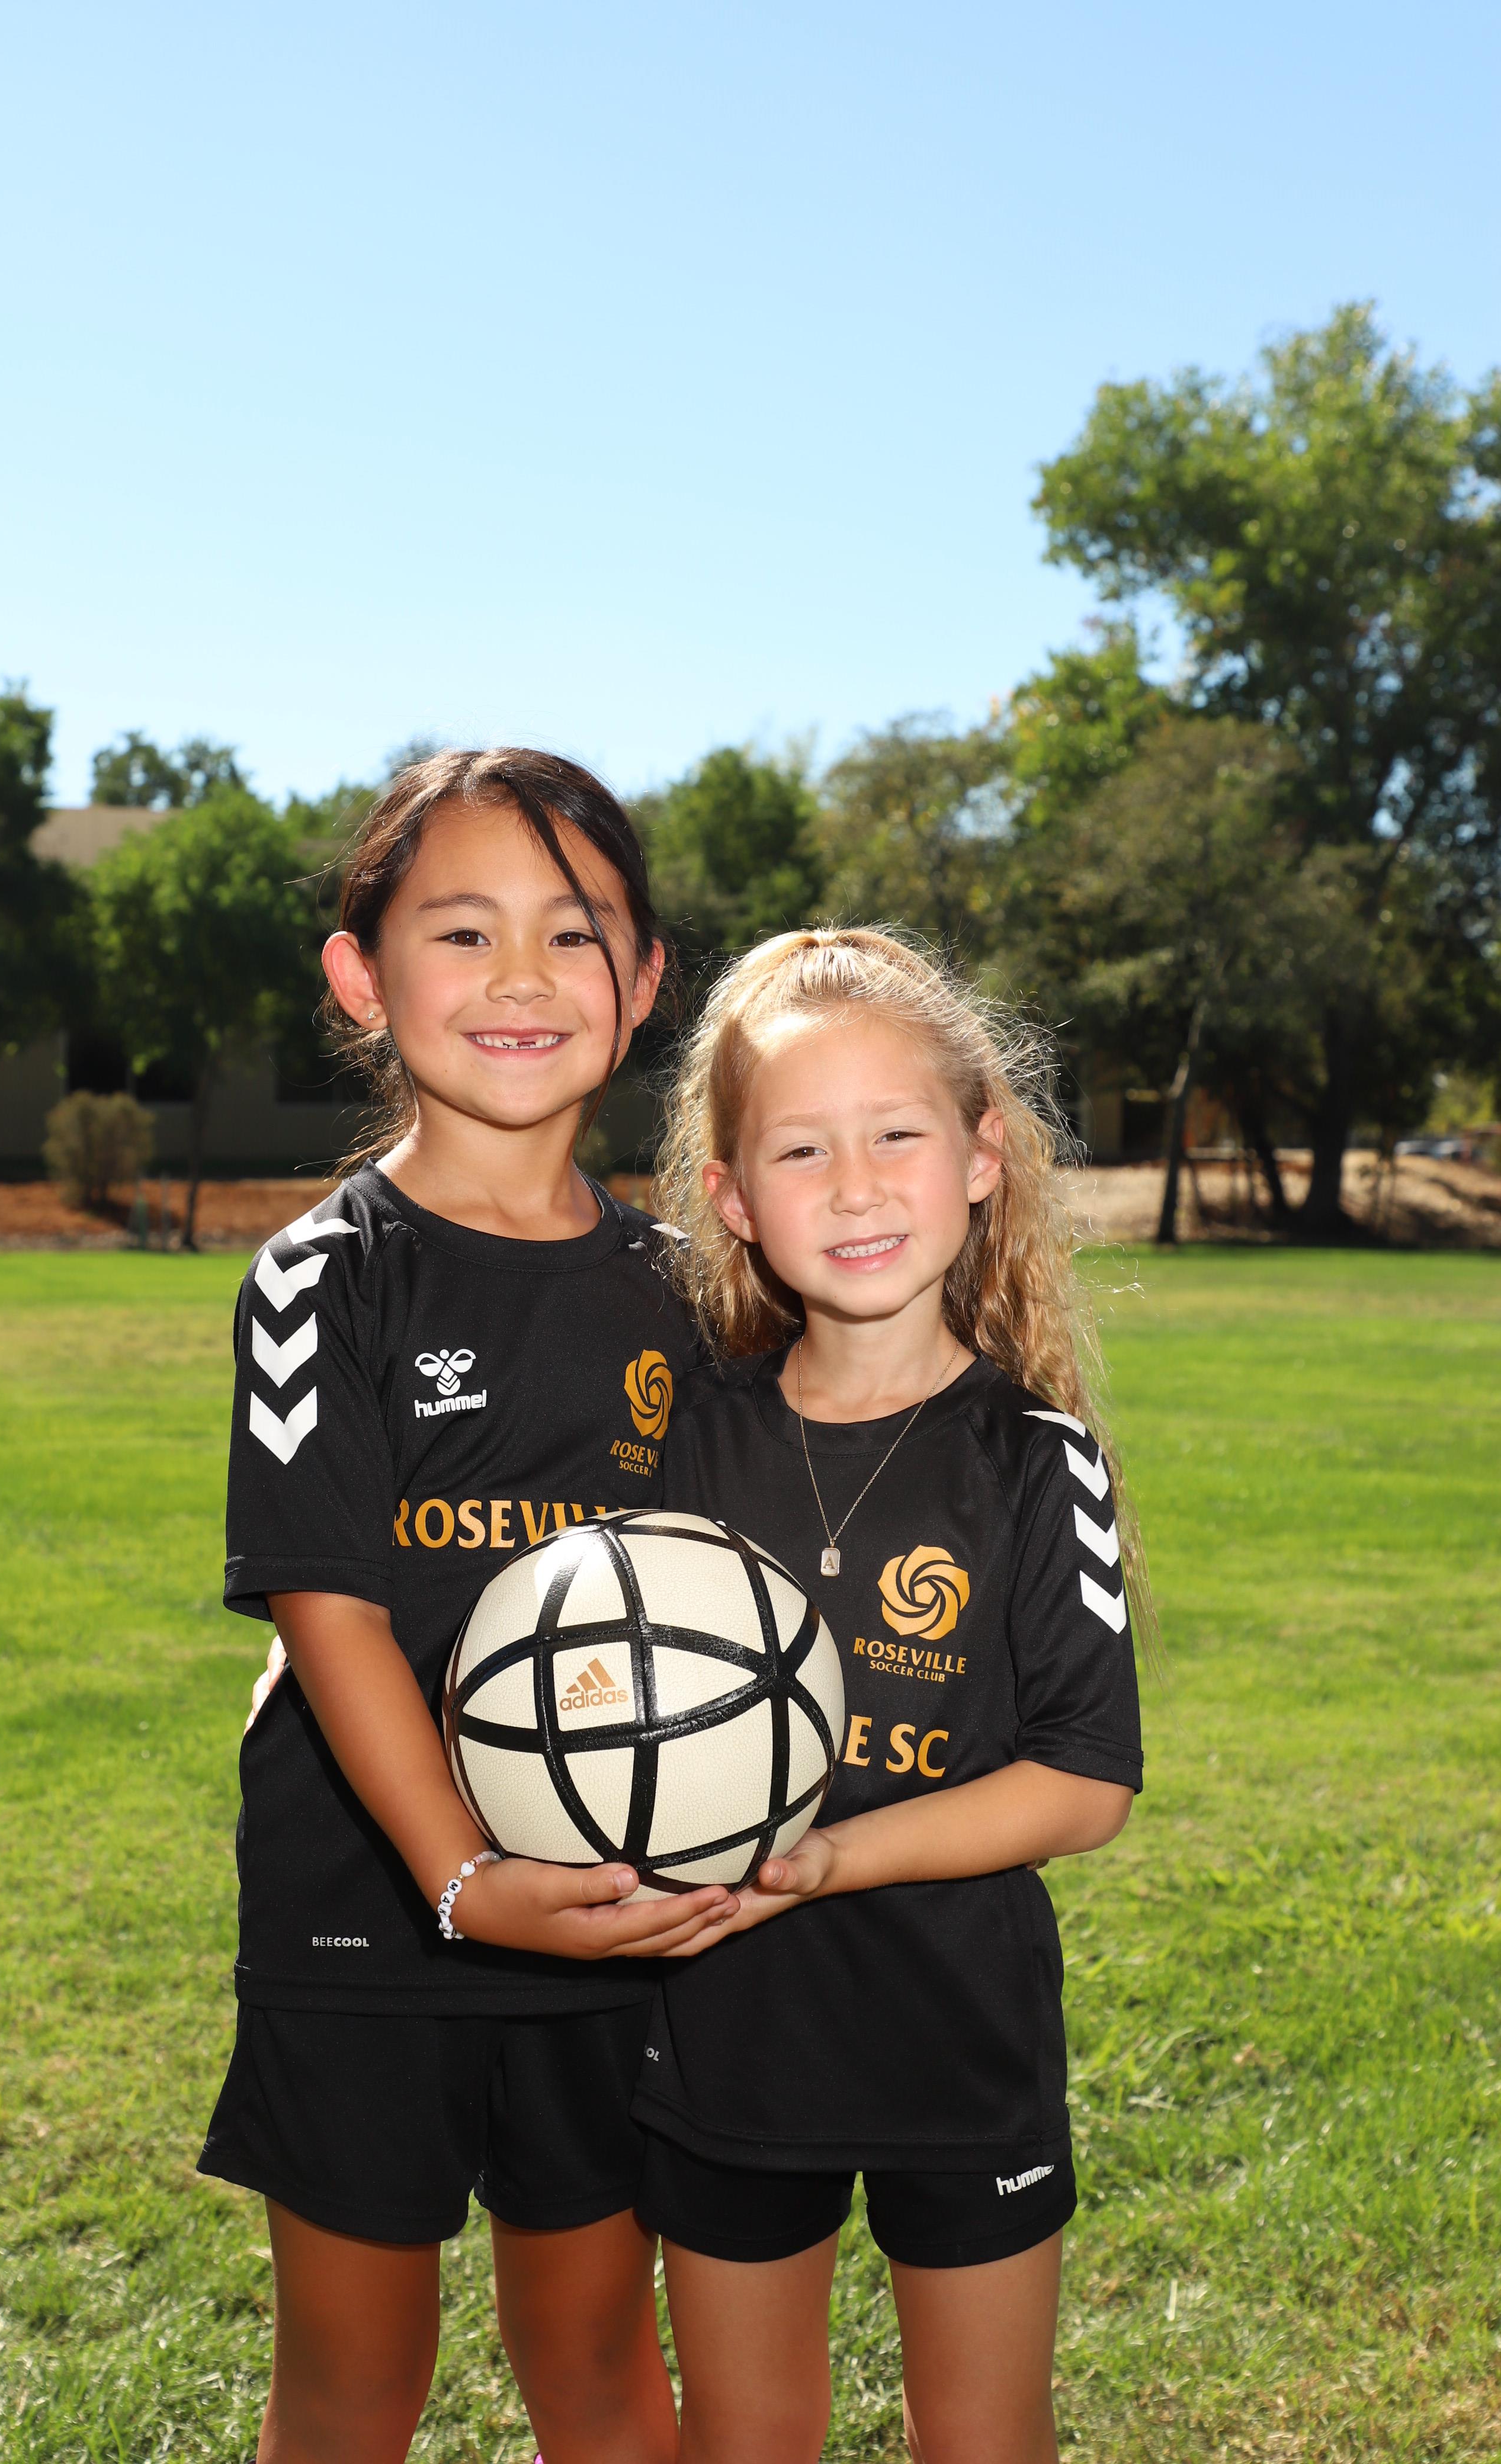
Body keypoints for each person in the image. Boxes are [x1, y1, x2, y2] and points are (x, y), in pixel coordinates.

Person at [198, 749, 738, 2464]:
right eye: (462, 931)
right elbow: (331, 1611)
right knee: (356, 2383)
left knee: (598, 2363)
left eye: (573, 936)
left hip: (608, 1905)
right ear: (362, 979)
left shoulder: (688, 1294)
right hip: (372, 1908)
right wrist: (459, 1874)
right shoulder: (323, 1278)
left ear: (643, 984)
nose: (521, 978)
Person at [631, 928, 1152, 2464]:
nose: (854, 1188)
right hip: (728, 2038)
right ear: (733, 1196)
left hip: (960, 2043)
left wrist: (837, 1856)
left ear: (983, 1159)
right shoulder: (686, 1440)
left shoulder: (1034, 1461)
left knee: (983, 2438)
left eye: (897, 1137)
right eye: (801, 1150)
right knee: (745, 2439)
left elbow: (1085, 1781)